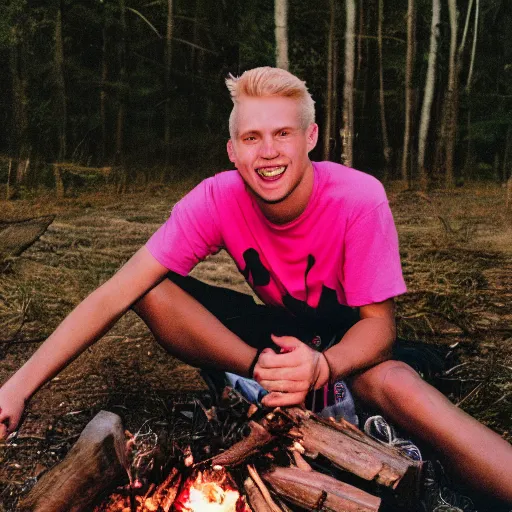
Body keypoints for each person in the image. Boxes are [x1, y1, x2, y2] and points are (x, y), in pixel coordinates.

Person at [0, 67, 511, 502]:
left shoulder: (359, 198)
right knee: (150, 289)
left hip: (349, 352)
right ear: (232, 150)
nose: (268, 152)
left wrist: (323, 367)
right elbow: (114, 293)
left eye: (282, 134)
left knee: (395, 383)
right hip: (272, 345)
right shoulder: (216, 199)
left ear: (310, 138)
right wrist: (17, 388)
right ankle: (255, 379)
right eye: (251, 138)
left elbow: (378, 327)